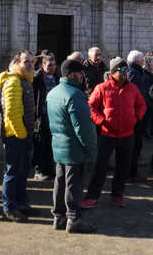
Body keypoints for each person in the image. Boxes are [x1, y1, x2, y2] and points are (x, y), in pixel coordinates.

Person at [82, 58, 146, 208]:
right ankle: (92, 196)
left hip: (127, 134)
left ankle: (117, 195)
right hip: (107, 134)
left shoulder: (132, 89)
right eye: (121, 71)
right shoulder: (102, 88)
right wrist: (101, 121)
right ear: (113, 72)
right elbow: (91, 106)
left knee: (123, 167)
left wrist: (135, 118)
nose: (125, 74)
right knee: (100, 166)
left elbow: (141, 105)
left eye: (126, 71)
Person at [47, 59, 98, 234]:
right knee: (74, 184)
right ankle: (73, 218)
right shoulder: (75, 95)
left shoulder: (53, 92)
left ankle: (58, 216)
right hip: (74, 148)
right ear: (70, 75)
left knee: (60, 181)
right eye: (79, 73)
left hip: (59, 145)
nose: (82, 76)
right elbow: (83, 128)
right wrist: (92, 149)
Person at [0, 50, 38, 222]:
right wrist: (21, 135)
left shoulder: (24, 80)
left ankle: (21, 203)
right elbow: (11, 113)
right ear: (17, 63)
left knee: (22, 172)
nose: (30, 65)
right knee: (12, 172)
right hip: (16, 135)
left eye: (31, 62)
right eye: (26, 62)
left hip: (25, 134)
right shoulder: (13, 81)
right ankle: (9, 208)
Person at [127, 50, 153, 183]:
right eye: (143, 60)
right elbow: (134, 93)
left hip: (139, 113)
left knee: (137, 144)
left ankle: (132, 171)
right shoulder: (133, 72)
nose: (144, 61)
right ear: (138, 61)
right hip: (135, 115)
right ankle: (131, 173)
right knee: (134, 144)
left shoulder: (138, 72)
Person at [32, 54, 58, 181]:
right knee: (40, 144)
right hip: (41, 115)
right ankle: (39, 170)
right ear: (43, 65)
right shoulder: (37, 77)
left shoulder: (57, 77)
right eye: (49, 65)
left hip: (54, 116)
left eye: (54, 65)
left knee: (50, 145)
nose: (52, 68)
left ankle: (50, 169)